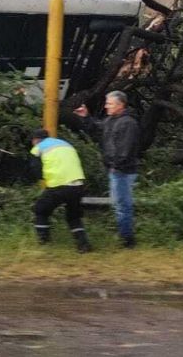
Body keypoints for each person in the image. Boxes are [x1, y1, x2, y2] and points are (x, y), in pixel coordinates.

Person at [73, 90, 141, 248]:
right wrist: (86, 117)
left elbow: (126, 149)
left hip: (122, 171)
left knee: (122, 205)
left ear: (120, 105)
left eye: (109, 103)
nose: (106, 106)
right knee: (119, 204)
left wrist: (115, 166)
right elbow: (97, 128)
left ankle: (127, 240)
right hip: (116, 169)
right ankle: (126, 237)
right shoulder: (111, 120)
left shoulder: (128, 123)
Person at [29, 127, 92, 253]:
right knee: (73, 216)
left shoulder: (38, 148)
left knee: (40, 210)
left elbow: (35, 169)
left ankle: (44, 242)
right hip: (78, 184)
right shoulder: (65, 144)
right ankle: (83, 245)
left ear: (35, 140)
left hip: (58, 185)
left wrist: (42, 177)